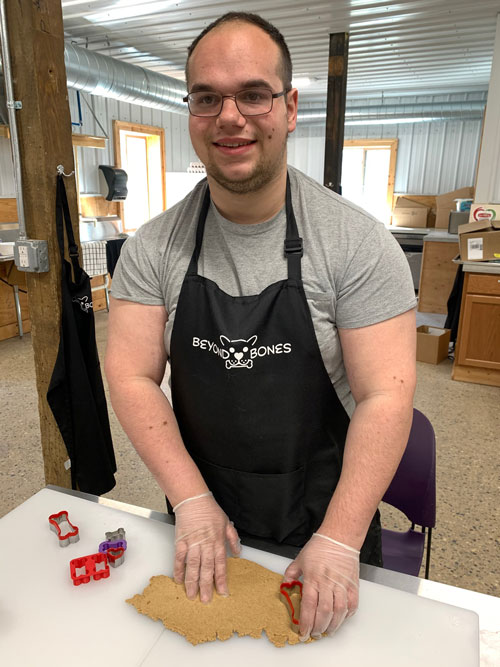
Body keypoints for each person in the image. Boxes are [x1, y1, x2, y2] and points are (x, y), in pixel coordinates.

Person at [105, 11, 417, 642]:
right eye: (207, 97)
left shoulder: (356, 244)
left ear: (290, 106)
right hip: (204, 520)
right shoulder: (152, 248)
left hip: (329, 518)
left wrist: (339, 537)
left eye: (253, 94)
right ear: (190, 110)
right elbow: (132, 373)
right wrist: (190, 502)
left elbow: (387, 395)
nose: (230, 116)